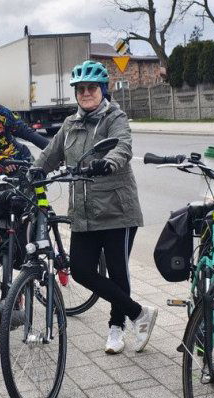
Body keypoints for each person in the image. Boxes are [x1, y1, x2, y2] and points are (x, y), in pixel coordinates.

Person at [33, 60, 156, 354]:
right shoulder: (70, 125)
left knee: (117, 272)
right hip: (83, 211)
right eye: (81, 89)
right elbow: (50, 155)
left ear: (102, 89)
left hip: (117, 210)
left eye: (91, 88)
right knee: (80, 270)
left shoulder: (115, 117)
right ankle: (139, 313)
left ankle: (116, 328)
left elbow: (123, 147)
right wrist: (34, 172)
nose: (86, 93)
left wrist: (107, 163)